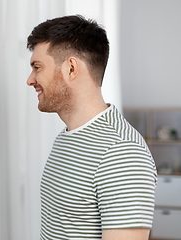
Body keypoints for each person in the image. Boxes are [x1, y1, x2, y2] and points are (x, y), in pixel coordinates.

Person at [26, 15, 157, 240]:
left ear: (71, 69)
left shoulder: (122, 153)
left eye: (37, 67)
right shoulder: (66, 138)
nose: (30, 79)